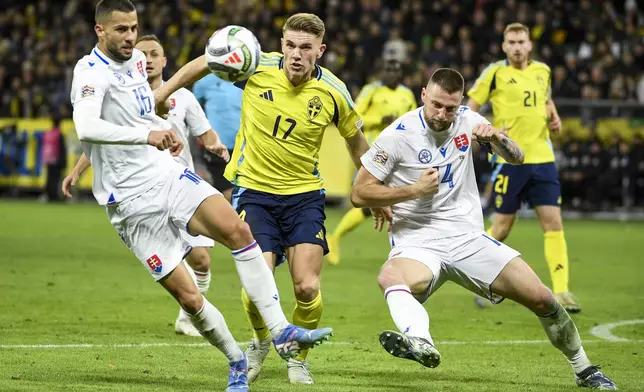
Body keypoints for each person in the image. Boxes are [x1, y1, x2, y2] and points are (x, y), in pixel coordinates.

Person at [62, 2, 333, 391]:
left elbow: (139, 116)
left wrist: (159, 126)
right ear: (99, 31)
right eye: (120, 30)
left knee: (240, 232)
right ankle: (237, 360)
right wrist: (148, 134)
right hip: (129, 202)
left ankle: (280, 331)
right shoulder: (88, 72)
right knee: (190, 299)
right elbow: (87, 126)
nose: (130, 37)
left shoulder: (138, 62)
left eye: (134, 28)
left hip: (165, 174)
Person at [351, 68, 616, 390]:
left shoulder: (468, 120)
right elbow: (358, 193)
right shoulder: (397, 135)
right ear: (423, 95)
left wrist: (497, 139)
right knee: (389, 277)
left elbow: (517, 158)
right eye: (435, 104)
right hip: (418, 241)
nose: (441, 114)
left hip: (468, 238)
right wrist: (412, 191)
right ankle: (420, 341)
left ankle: (585, 369)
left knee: (543, 299)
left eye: (450, 107)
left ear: (460, 102)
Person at [155, 13, 376, 385]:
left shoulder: (335, 92)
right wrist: (164, 92)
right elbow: (206, 61)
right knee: (257, 283)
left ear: (320, 51)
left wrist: (375, 191)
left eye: (305, 48)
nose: (295, 54)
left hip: (304, 196)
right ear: (282, 44)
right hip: (254, 192)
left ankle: (297, 359)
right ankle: (261, 340)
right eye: (290, 45)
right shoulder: (257, 65)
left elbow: (357, 144)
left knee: (306, 286)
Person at [465, 23, 580, 313]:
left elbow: (546, 100)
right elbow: (471, 106)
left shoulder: (543, 71)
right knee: (502, 227)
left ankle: (563, 291)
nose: (517, 46)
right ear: (504, 46)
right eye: (511, 42)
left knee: (553, 223)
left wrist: (554, 118)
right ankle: (476, 276)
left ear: (529, 45)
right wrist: (486, 129)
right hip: (509, 159)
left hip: (542, 158)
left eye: (521, 42)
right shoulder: (495, 73)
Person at [135, 34, 227, 337]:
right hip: (145, 190)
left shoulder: (184, 97)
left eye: (153, 54)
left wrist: (217, 147)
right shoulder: (123, 97)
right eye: (142, 54)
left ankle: (187, 317)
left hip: (183, 187)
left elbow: (205, 132)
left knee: (201, 259)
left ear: (164, 61)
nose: (147, 59)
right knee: (168, 261)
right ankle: (193, 311)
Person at [326, 58, 416, 265]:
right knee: (374, 203)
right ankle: (335, 238)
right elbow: (354, 117)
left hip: (400, 156)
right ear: (381, 72)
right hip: (376, 154)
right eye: (388, 69)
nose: (392, 73)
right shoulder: (371, 90)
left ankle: (336, 237)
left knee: (395, 203)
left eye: (396, 70)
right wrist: (379, 120)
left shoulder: (407, 95)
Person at [193, 72, 242, 202]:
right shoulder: (204, 82)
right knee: (228, 193)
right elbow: (194, 108)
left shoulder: (250, 78)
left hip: (246, 147)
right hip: (218, 148)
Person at [41, 116, 67, 202]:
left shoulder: (48, 133)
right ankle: (55, 196)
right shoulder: (59, 134)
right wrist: (64, 163)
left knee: (49, 178)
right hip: (57, 160)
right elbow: (62, 149)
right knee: (56, 179)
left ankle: (48, 195)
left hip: (48, 159)